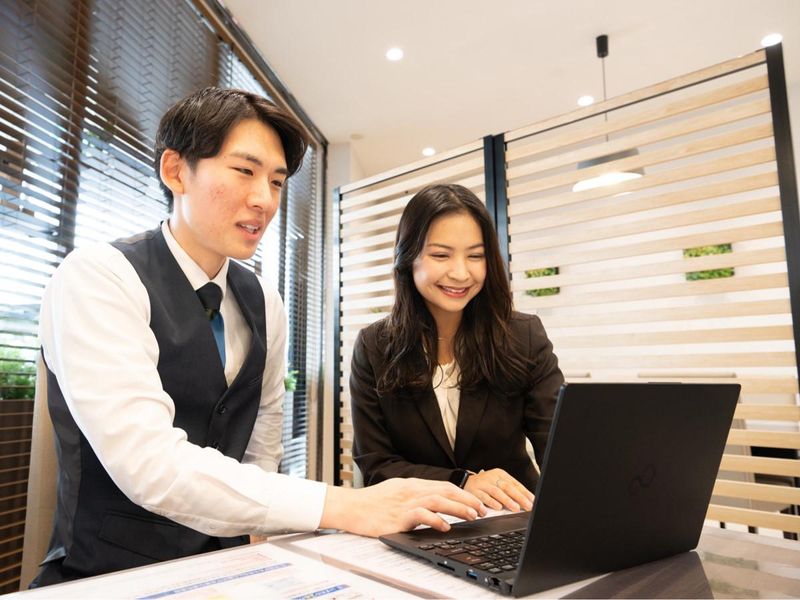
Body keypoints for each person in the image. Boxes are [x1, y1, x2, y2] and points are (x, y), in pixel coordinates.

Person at [32, 88, 484, 587]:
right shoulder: (99, 276)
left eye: (276, 181)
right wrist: (344, 505)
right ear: (176, 170)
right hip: (106, 575)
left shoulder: (263, 300)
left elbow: (260, 448)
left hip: (227, 572)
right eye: (244, 171)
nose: (264, 201)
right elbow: (149, 464)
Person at [350, 183, 564, 513]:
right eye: (441, 255)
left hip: (511, 518)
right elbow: (377, 467)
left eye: (475, 256)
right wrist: (461, 481)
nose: (461, 273)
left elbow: (558, 447)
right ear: (408, 257)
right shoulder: (374, 347)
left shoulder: (524, 335)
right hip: (423, 523)